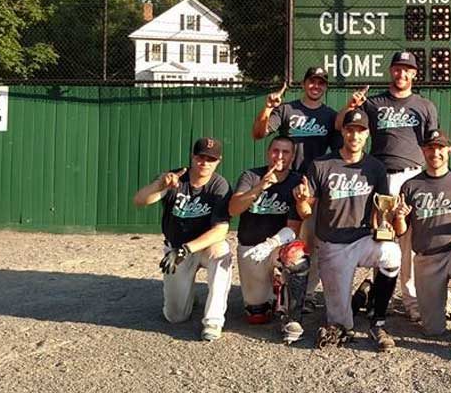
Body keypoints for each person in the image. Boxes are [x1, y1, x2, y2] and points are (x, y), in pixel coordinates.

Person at [337, 51, 438, 321]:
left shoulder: (425, 106)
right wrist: (351, 105)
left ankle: (411, 300)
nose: (402, 74)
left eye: (407, 70)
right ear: (390, 71)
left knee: (408, 240)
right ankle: (378, 298)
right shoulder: (374, 103)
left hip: (413, 176)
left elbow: (433, 145)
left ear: (415, 74)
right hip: (381, 176)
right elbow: (341, 126)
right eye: (397, 69)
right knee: (381, 238)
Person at [295, 109, 403, 352]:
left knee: (392, 253)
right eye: (350, 130)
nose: (355, 136)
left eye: (360, 131)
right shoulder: (322, 165)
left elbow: (381, 208)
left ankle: (378, 317)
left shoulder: (375, 167)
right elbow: (306, 211)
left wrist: (389, 217)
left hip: (363, 239)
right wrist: (302, 201)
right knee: (340, 324)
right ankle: (360, 297)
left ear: (367, 134)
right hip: (332, 245)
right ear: (343, 131)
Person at [252, 66, 340, 312]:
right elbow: (259, 133)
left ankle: (307, 293)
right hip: (284, 182)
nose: (316, 86)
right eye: (312, 81)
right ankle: (275, 290)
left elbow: (338, 152)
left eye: (321, 83)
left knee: (309, 242)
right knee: (278, 238)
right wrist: (268, 108)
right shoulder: (287, 109)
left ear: (325, 87)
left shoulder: (330, 116)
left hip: (312, 186)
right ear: (304, 84)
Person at [397, 130, 451, 360]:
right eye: (429, 148)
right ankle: (443, 302)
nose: (435, 152)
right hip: (426, 258)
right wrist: (398, 218)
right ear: (423, 151)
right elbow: (401, 231)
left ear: (448, 150)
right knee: (433, 330)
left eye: (440, 147)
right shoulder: (411, 185)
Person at [133, 137, 232, 342]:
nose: (204, 162)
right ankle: (189, 295)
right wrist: (159, 185)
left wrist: (187, 249)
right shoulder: (175, 178)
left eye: (210, 159)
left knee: (222, 251)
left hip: (202, 248)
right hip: (176, 249)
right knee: (175, 316)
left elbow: (221, 230)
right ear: (192, 156)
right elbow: (140, 200)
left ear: (218, 161)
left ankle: (213, 321)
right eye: (200, 157)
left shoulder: (219, 186)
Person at [229, 136, 308, 344]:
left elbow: (293, 229)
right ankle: (274, 292)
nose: (279, 156)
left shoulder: (296, 180)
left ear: (293, 156)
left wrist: (270, 244)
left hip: (277, 247)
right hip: (250, 247)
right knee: (257, 316)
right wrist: (259, 188)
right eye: (275, 150)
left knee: (296, 256)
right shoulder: (251, 176)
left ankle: (293, 318)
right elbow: (233, 208)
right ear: (268, 152)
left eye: (286, 152)